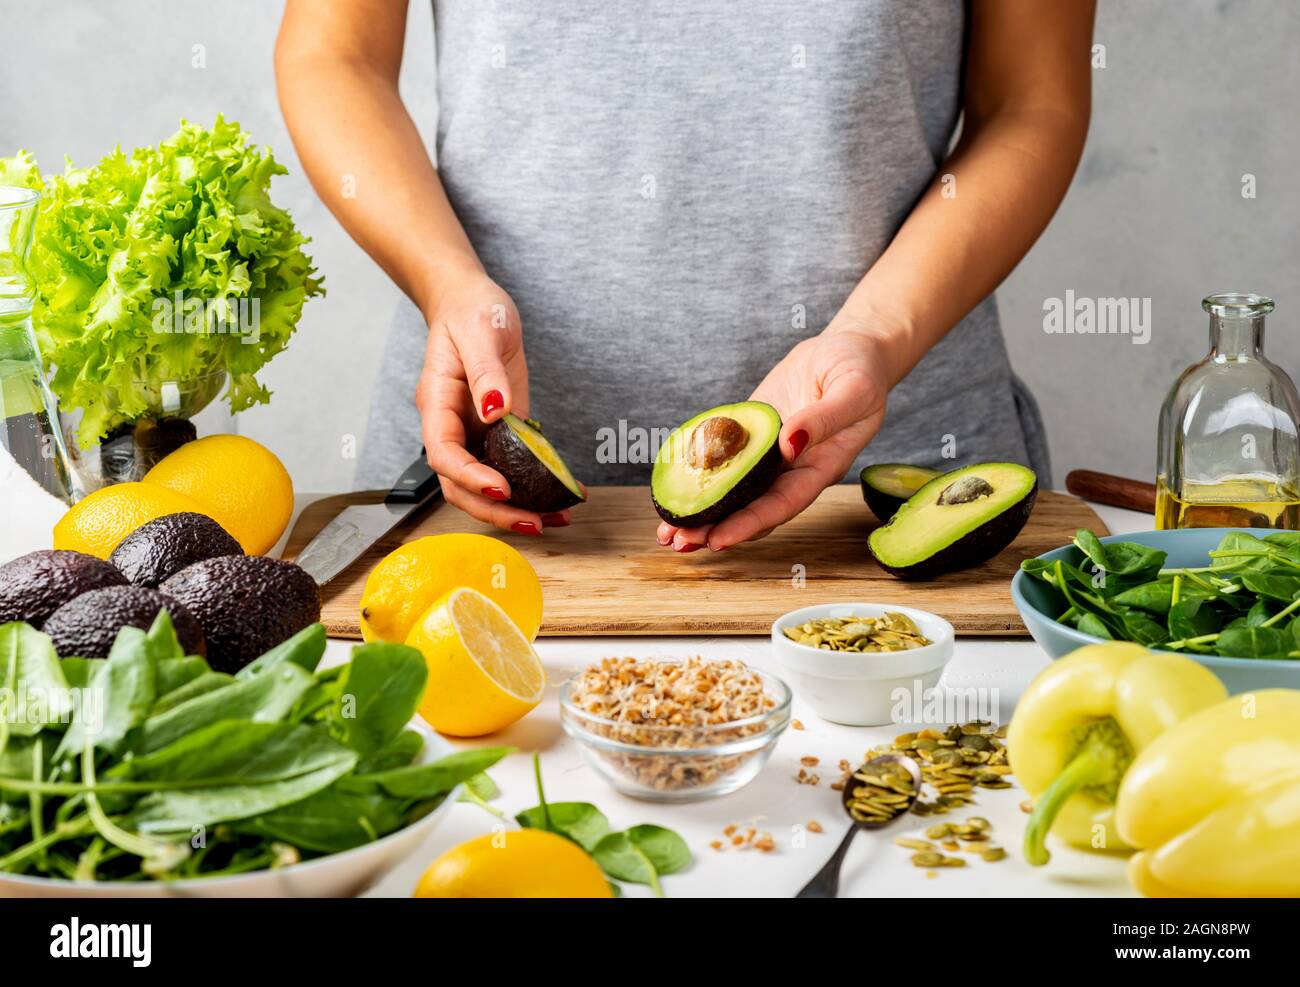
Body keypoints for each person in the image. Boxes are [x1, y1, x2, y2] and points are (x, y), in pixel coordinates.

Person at [276, 0, 1094, 551]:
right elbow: (333, 55)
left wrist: (876, 336)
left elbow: (1031, 103)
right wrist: (443, 280)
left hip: (886, 487)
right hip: (470, 476)